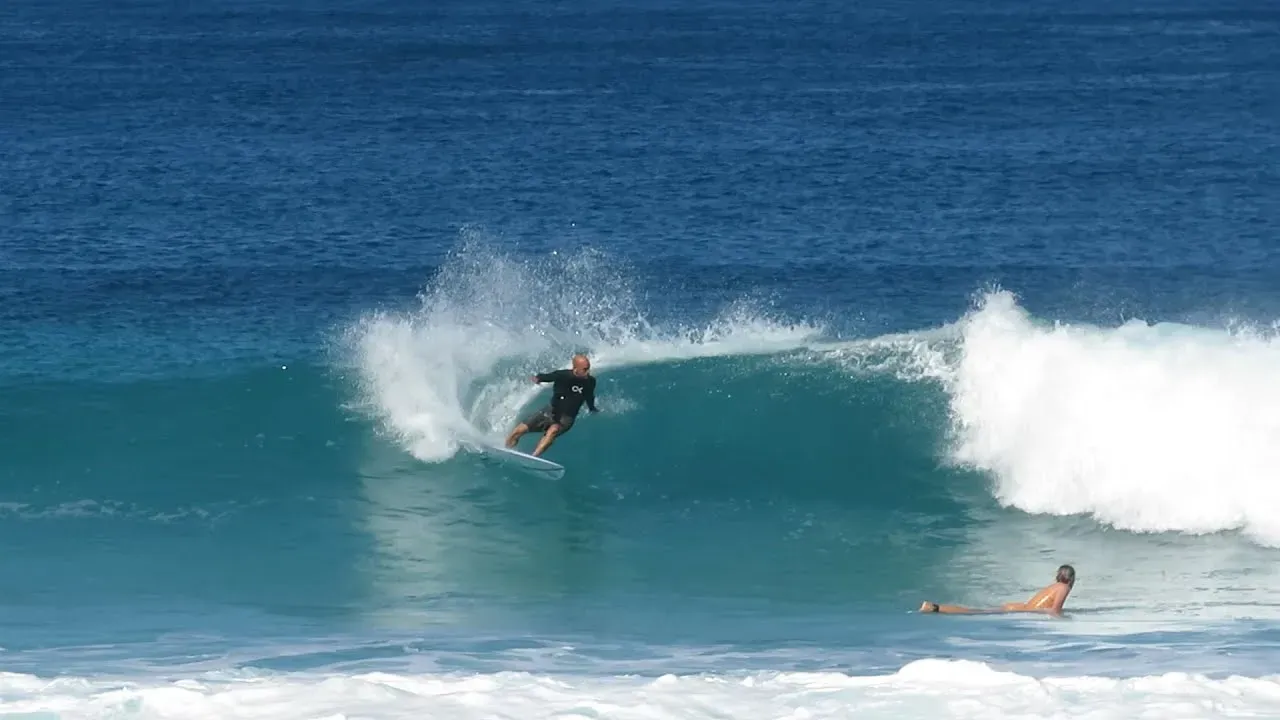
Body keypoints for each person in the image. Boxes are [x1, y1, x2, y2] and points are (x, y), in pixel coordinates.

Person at [505, 354, 599, 457]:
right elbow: (548, 376)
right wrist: (538, 378)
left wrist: (592, 407)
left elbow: (589, 396)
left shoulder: (590, 381)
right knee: (518, 431)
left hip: (566, 418)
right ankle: (506, 450)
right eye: (585, 369)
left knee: (553, 431)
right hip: (550, 411)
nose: (588, 372)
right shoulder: (563, 375)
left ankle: (533, 457)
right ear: (575, 368)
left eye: (588, 368)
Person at [918, 564, 1076, 616]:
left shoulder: (1054, 585)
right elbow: (1055, 611)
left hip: (1018, 606)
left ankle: (935, 607)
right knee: (973, 612)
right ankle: (933, 607)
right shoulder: (1064, 588)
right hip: (1022, 609)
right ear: (1071, 578)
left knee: (975, 611)